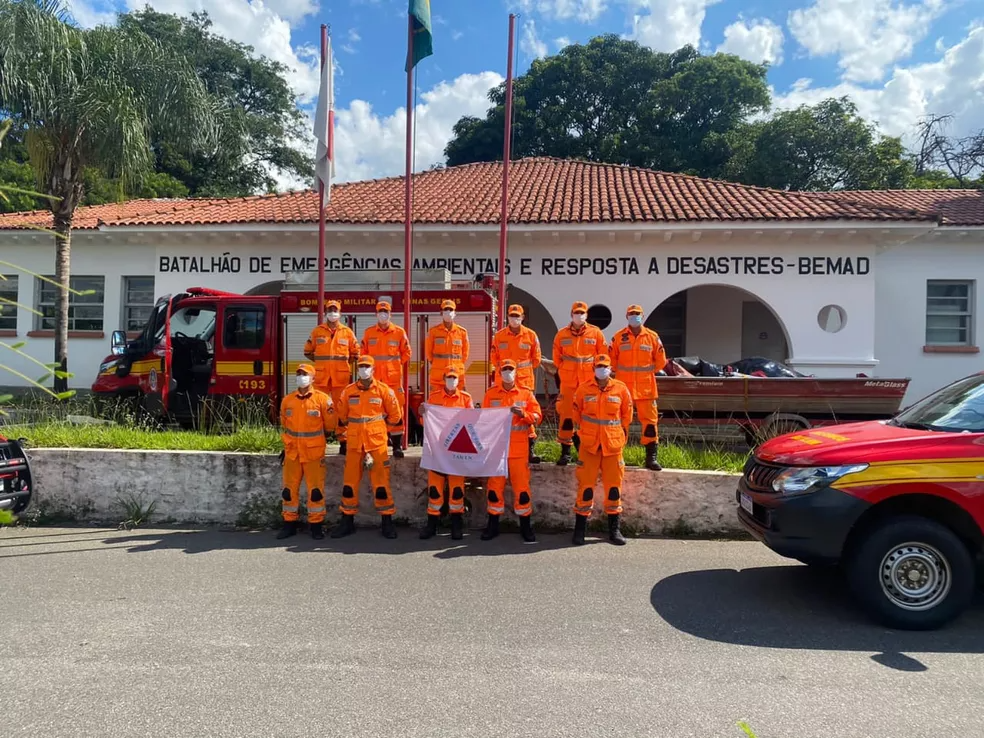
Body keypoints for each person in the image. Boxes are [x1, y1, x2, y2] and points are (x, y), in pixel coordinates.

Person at [331, 355, 403, 540]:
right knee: (349, 485)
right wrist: (344, 438)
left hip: (376, 444)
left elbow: (396, 416)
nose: (363, 369)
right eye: (361, 366)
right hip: (355, 445)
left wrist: (380, 430)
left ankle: (387, 522)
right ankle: (347, 521)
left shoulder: (383, 391)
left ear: (373, 369)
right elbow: (341, 417)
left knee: (381, 485)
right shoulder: (348, 392)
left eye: (366, 366)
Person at [571, 354, 633, 547]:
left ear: (610, 368)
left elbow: (627, 416)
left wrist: (619, 436)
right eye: (598, 366)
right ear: (593, 368)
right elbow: (576, 415)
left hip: (612, 446)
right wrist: (582, 436)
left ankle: (614, 530)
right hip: (589, 446)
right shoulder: (583, 389)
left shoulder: (621, 389)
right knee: (585, 489)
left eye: (605, 366)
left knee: (614, 489)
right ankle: (580, 530)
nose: (602, 369)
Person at [479, 359, 543, 543]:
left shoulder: (525, 394)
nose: (508, 372)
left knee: (522, 489)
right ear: (499, 372)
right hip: (497, 450)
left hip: (518, 450)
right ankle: (493, 525)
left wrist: (523, 415)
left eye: (510, 369)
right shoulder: (491, 394)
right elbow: (484, 419)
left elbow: (538, 417)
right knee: (494, 489)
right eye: (504, 369)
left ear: (515, 372)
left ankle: (525, 526)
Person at [276, 363, 334, 540]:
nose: (301, 377)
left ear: (313, 378)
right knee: (288, 490)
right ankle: (289, 524)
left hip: (313, 454)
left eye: (305, 374)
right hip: (292, 452)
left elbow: (330, 426)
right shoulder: (288, 400)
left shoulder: (323, 400)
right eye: (298, 374)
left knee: (315, 491)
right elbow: (285, 424)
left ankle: (316, 525)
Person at [609, 304, 668, 471]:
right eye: (631, 313)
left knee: (650, 424)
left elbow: (661, 361)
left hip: (646, 389)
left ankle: (651, 458)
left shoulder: (652, 337)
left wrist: (646, 373)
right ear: (626, 316)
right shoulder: (618, 337)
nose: (634, 316)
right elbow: (611, 360)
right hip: (623, 389)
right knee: (620, 423)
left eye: (637, 313)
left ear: (642, 316)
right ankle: (616, 456)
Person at [417, 368, 474, 541]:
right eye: (449, 377)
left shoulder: (465, 398)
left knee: (457, 490)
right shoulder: (434, 398)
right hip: (437, 449)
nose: (451, 380)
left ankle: (456, 524)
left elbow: (472, 421)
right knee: (434, 489)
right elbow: (425, 422)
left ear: (459, 379)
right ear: (443, 378)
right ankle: (432, 524)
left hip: (457, 449)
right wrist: (421, 414)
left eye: (454, 378)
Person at [552, 301, 607, 467]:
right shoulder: (561, 335)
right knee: (566, 418)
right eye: (576, 312)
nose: (579, 315)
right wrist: (565, 372)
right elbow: (556, 358)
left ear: (586, 315)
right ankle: (565, 452)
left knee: (588, 417)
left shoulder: (595, 333)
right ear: (571, 314)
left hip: (588, 383)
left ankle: (587, 452)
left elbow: (603, 356)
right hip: (568, 383)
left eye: (582, 313)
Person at [304, 299, 359, 455]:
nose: (332, 313)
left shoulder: (347, 332)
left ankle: (343, 441)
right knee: (317, 408)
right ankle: (318, 440)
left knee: (341, 410)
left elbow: (356, 353)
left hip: (340, 379)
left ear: (340, 313)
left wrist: (342, 365)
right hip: (321, 378)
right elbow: (308, 351)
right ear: (326, 312)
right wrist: (323, 364)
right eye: (329, 310)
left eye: (335, 310)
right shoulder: (317, 331)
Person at [490, 303, 543, 464]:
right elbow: (494, 358)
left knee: (525, 415)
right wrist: (506, 374)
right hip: (503, 382)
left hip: (524, 382)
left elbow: (536, 359)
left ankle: (529, 448)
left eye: (517, 316)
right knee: (503, 415)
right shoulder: (499, 336)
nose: (514, 318)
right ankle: (500, 448)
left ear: (522, 317)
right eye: (512, 315)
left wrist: (519, 371)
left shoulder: (531, 335)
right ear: (507, 316)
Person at [360, 300, 412, 459]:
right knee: (374, 412)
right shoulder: (369, 333)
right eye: (380, 311)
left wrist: (394, 367)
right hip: (374, 382)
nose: (383, 314)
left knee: (396, 412)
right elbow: (363, 354)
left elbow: (406, 353)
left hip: (393, 381)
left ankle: (397, 446)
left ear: (390, 314)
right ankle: (374, 446)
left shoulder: (398, 332)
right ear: (376, 314)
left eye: (386, 311)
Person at [425, 299, 469, 394]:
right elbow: (428, 352)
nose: (448, 312)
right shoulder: (434, 331)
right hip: (438, 375)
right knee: (437, 402)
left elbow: (465, 353)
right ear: (441, 313)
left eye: (450, 309)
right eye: (446, 309)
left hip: (456, 374)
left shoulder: (462, 332)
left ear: (455, 313)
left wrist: (457, 365)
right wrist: (437, 364)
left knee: (458, 401)